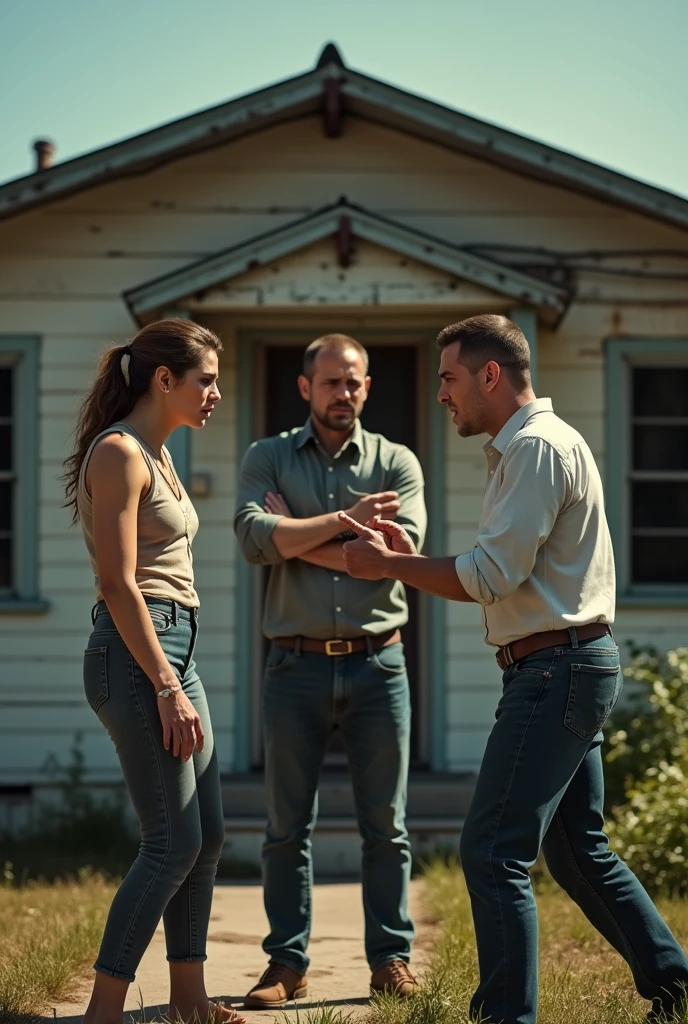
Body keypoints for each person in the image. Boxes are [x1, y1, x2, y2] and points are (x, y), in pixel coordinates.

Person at [339, 314, 688, 1024]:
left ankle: (506, 1017)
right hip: (568, 665)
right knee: (577, 850)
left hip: (554, 671)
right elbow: (507, 570)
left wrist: (389, 565)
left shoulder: (533, 450)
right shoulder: (532, 447)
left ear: (490, 376)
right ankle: (677, 987)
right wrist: (408, 554)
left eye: (449, 378)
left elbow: (489, 576)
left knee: (494, 850)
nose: (442, 394)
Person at [234, 333, 427, 1010]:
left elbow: (398, 552)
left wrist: (301, 533)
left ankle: (390, 960)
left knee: (388, 826)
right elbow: (253, 537)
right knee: (287, 827)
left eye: (354, 383)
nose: (342, 394)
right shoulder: (268, 456)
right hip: (295, 667)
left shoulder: (398, 461)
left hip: (381, 667)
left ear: (367, 387)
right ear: (305, 387)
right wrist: (343, 525)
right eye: (331, 383)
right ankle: (286, 964)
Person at [64, 319, 245, 1024]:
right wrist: (167, 687)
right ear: (163, 379)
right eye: (205, 380)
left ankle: (190, 1000)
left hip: (176, 650)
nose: (216, 394)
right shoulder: (119, 454)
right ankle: (103, 1012)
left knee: (209, 832)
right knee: (171, 842)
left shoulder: (158, 453)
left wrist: (178, 673)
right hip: (139, 654)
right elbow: (117, 582)